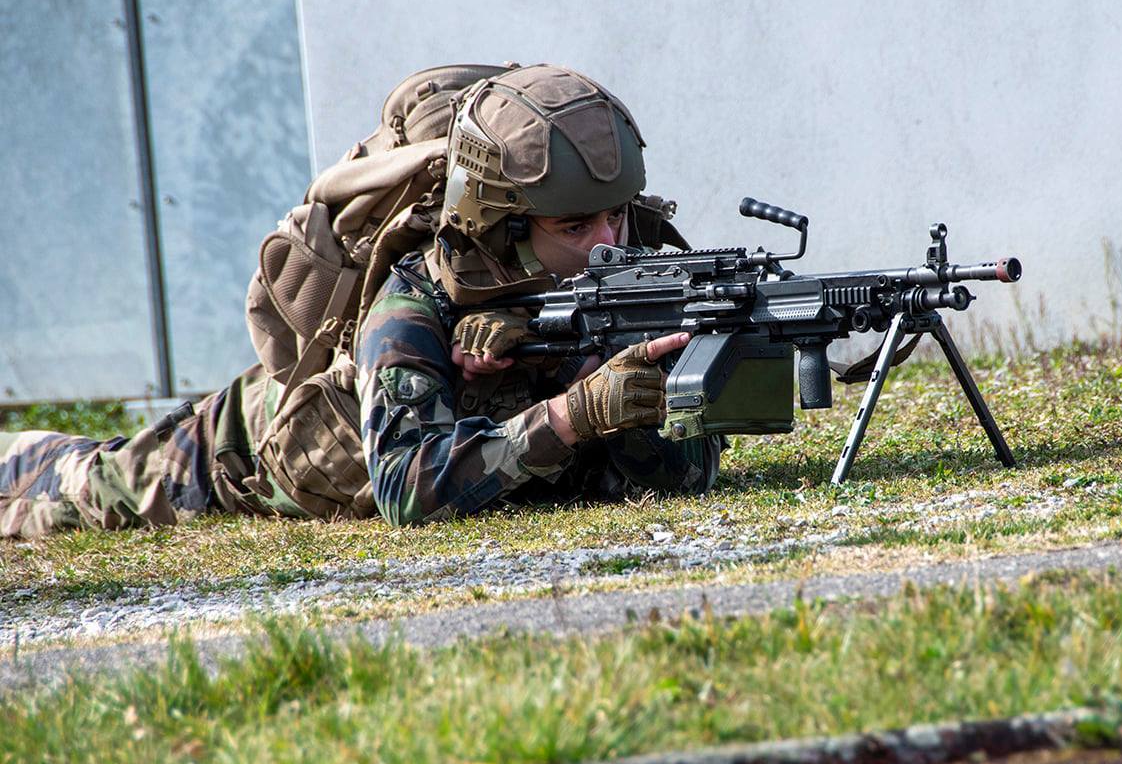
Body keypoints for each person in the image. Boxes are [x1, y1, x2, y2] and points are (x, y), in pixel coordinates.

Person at [0, 65, 719, 539]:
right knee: (84, 489)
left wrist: (634, 398)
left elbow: (684, 474)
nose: (609, 243)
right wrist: (572, 412)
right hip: (240, 450)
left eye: (618, 216)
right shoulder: (409, 303)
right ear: (507, 225)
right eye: (576, 226)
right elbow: (406, 488)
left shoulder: (610, 279)